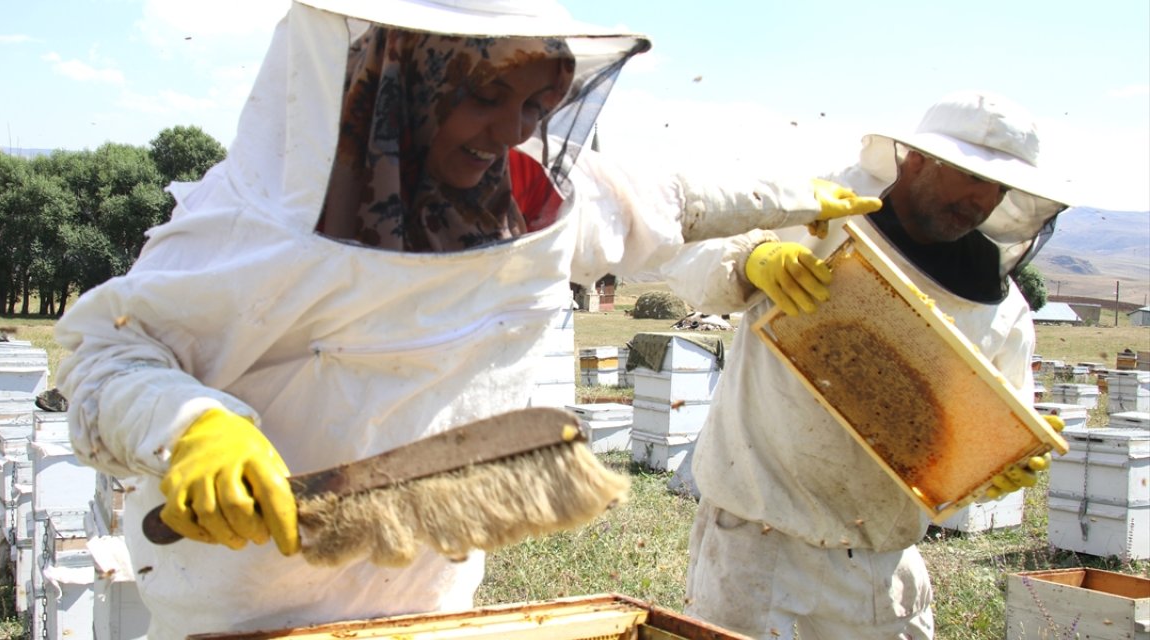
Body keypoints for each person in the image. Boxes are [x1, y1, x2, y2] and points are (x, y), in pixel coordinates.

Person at [54, 1, 879, 638]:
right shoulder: (262, 219)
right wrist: (194, 426)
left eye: (537, 102)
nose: (517, 130)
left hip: (434, 598)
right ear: (401, 74)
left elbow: (675, 195)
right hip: (247, 609)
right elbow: (103, 354)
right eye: (489, 95)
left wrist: (799, 197)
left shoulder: (531, 204)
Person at [669, 91, 1072, 639]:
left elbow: (1001, 414)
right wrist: (749, 260)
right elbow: (686, 258)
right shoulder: (813, 205)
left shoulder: (1003, 312)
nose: (983, 199)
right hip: (757, 540)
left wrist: (1001, 461)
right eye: (970, 176)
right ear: (916, 158)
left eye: (998, 186)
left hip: (883, 560)